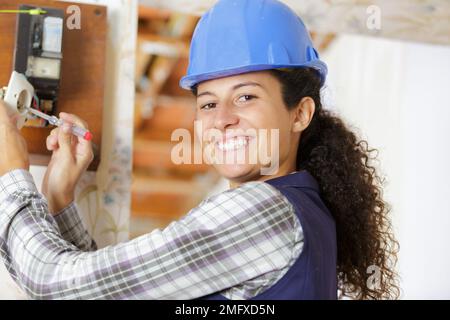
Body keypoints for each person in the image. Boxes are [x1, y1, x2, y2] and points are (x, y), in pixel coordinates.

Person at [0, 0, 399, 299]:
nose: (222, 118)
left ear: (300, 113)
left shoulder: (262, 211)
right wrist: (58, 199)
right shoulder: (297, 212)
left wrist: (11, 172)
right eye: (208, 103)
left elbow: (52, 282)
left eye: (245, 97)